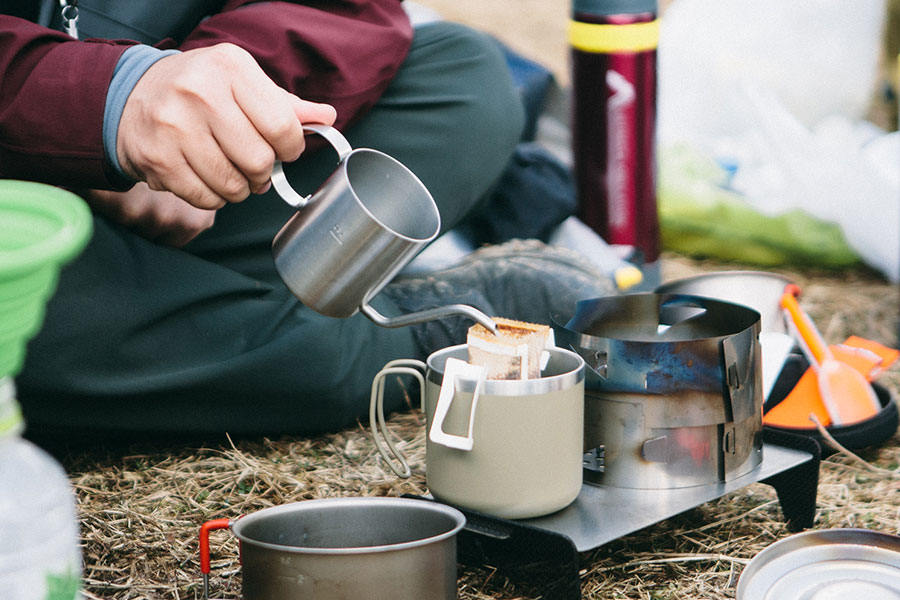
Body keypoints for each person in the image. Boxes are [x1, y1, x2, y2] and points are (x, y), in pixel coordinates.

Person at [1, 1, 614, 439]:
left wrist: (207, 110)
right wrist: (106, 109)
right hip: (21, 198)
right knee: (22, 307)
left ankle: (180, 323)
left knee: (463, 80)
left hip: (185, 187)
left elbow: (347, 9)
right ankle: (392, 343)